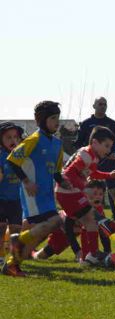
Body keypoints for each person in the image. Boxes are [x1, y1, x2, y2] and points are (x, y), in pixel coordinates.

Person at [4, 101, 70, 276]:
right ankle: (17, 242)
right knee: (54, 222)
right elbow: (12, 160)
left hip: (46, 195)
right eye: (53, 118)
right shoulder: (34, 139)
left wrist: (62, 181)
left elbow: (55, 170)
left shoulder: (57, 144)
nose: (57, 122)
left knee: (40, 232)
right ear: (42, 120)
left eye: (58, 117)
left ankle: (11, 264)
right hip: (32, 194)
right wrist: (26, 182)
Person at [56, 126, 115, 264]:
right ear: (95, 143)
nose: (109, 151)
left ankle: (88, 256)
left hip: (69, 193)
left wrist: (109, 175)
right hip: (68, 193)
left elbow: (93, 174)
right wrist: (82, 188)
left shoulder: (93, 157)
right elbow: (69, 173)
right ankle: (91, 253)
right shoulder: (86, 155)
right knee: (90, 218)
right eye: (107, 146)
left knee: (90, 222)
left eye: (110, 147)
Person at [75, 97, 115, 222]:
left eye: (105, 104)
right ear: (94, 106)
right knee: (92, 192)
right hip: (91, 164)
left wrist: (114, 155)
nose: (103, 106)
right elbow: (78, 144)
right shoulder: (85, 124)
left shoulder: (112, 124)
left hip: (109, 163)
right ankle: (93, 219)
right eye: (100, 104)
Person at [33, 180, 112, 260]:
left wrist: (108, 252)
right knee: (41, 249)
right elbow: (69, 230)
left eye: (101, 194)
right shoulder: (78, 206)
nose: (98, 197)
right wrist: (77, 251)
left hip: (69, 232)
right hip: (61, 229)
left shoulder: (99, 210)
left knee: (43, 255)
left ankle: (31, 250)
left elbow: (103, 232)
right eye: (94, 193)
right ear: (85, 194)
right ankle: (29, 250)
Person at [0, 122, 24, 267]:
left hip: (17, 200)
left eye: (15, 137)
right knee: (1, 229)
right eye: (8, 137)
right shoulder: (1, 157)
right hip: (1, 200)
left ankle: (13, 260)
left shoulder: (22, 157)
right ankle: (1, 257)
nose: (13, 140)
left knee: (15, 231)